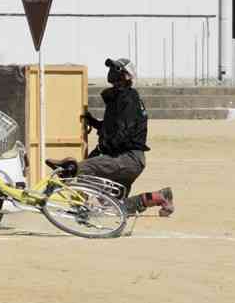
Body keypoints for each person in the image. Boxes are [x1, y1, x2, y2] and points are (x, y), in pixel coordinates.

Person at [55, 57, 174, 217]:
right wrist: (95, 123)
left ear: (126, 76)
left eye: (116, 70)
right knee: (116, 208)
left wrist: (104, 148)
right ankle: (160, 196)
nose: (112, 73)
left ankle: (78, 208)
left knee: (84, 168)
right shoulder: (121, 98)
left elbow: (125, 131)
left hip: (127, 158)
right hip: (129, 159)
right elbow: (116, 127)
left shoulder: (128, 98)